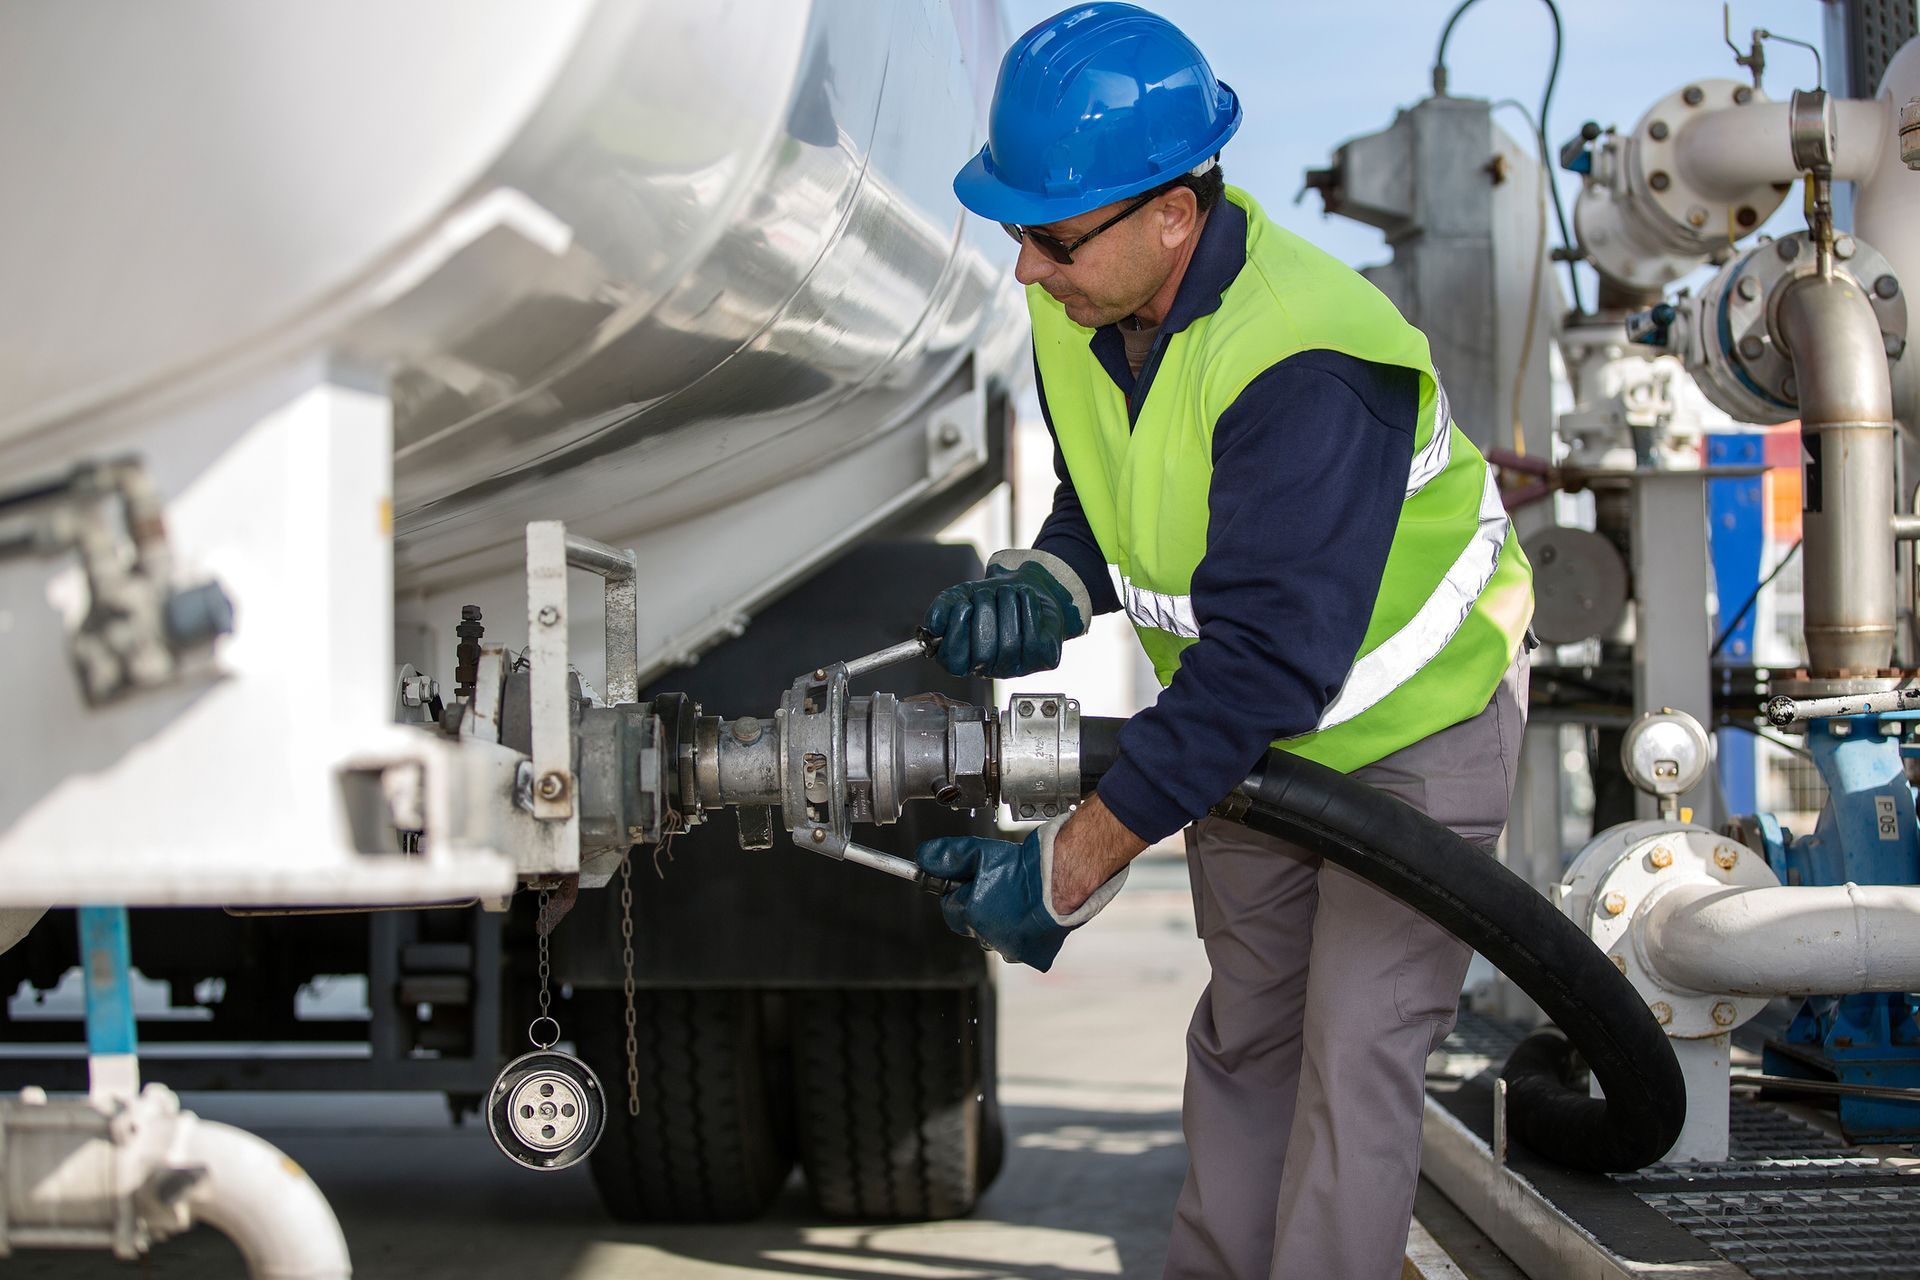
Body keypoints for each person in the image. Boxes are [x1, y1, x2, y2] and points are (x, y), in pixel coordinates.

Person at [912, 5, 1536, 1278]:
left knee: (1351, 1054)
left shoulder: (1307, 357)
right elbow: (1113, 480)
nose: (1025, 269)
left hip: (1416, 730)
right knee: (1245, 1038)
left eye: (1049, 236)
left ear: (1173, 216)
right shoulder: (1084, 297)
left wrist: (1070, 865)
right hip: (1246, 740)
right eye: (1017, 230)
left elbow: (1267, 661)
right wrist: (1049, 579)